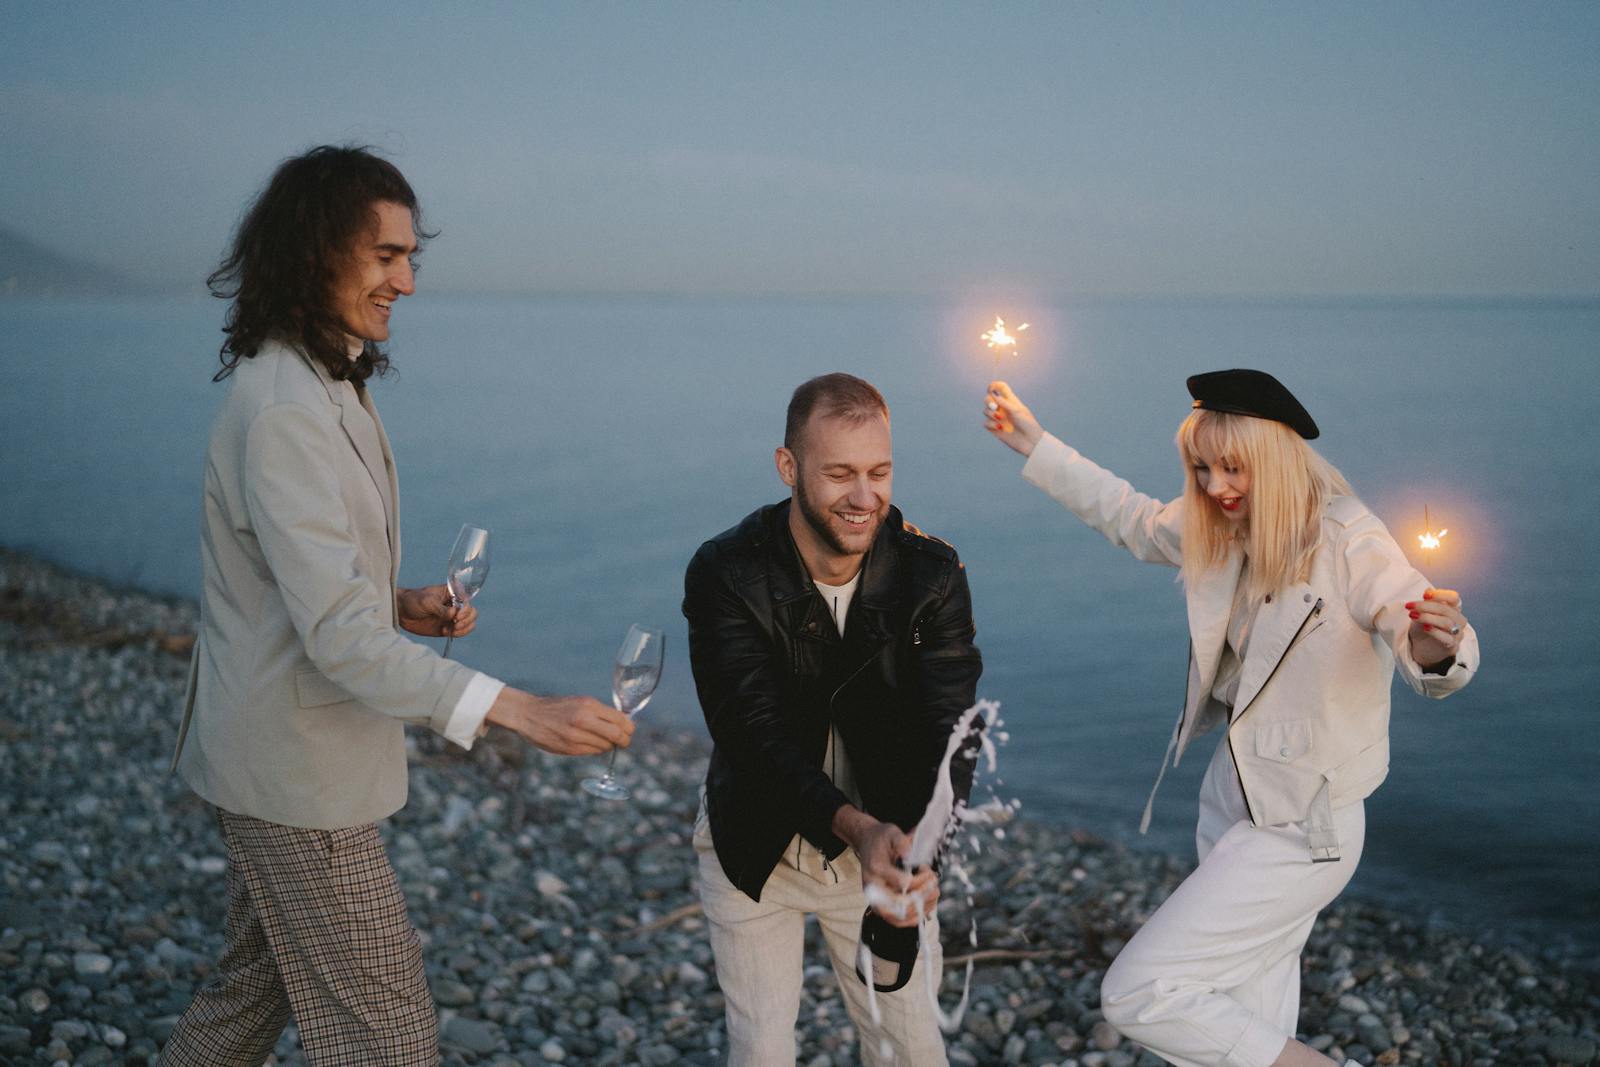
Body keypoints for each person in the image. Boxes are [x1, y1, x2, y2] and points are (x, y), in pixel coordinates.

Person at [161, 145, 634, 1066]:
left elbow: (301, 582)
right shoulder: (289, 406)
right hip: (296, 778)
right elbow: (335, 634)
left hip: (269, 759)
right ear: (316, 250)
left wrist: (397, 601)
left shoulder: (314, 378)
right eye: (385, 255)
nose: (407, 281)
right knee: (391, 1038)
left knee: (246, 1002)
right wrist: (518, 708)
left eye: (411, 257)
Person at [983, 370, 1478, 1067]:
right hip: (1230, 799)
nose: (1216, 484)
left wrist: (1438, 642)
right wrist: (1034, 444)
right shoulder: (1217, 524)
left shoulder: (1348, 538)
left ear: (1275, 456)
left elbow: (1415, 632)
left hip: (1307, 825)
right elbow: (1128, 516)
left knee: (1141, 989)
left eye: (1233, 465)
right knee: (1245, 1021)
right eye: (1202, 467)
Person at [682, 373, 983, 1066]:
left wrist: (921, 850)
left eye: (879, 471)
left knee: (909, 1050)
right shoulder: (726, 570)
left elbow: (953, 728)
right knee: (759, 1049)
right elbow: (750, 732)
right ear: (788, 467)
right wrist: (855, 826)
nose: (864, 496)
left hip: (884, 849)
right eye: (840, 472)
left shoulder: (930, 574)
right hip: (755, 843)